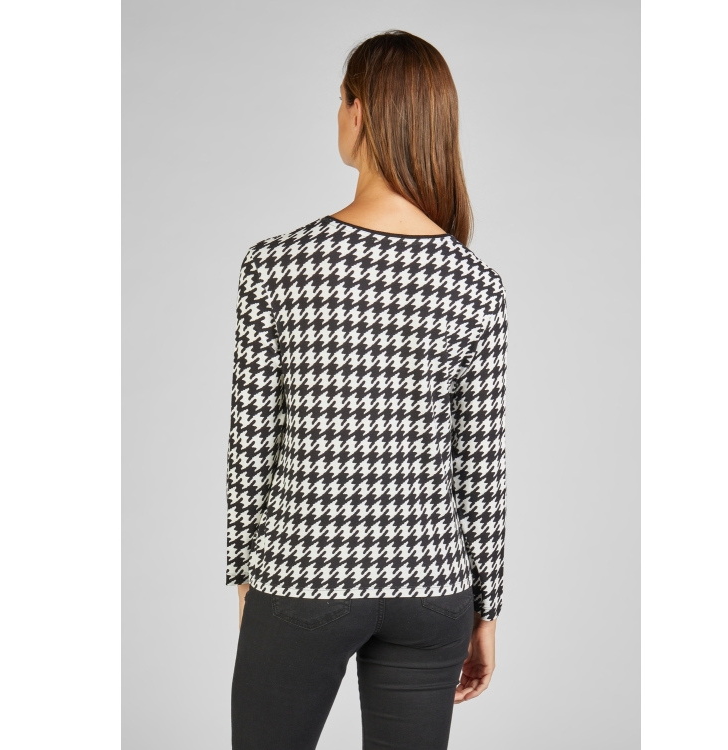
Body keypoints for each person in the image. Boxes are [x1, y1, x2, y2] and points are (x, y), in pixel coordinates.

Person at [226, 29, 507, 750]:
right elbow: (480, 467)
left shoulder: (277, 265)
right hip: (432, 583)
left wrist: (247, 573)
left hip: (303, 571)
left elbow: (252, 439)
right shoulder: (476, 284)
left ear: (357, 112)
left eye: (340, 101)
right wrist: (486, 610)